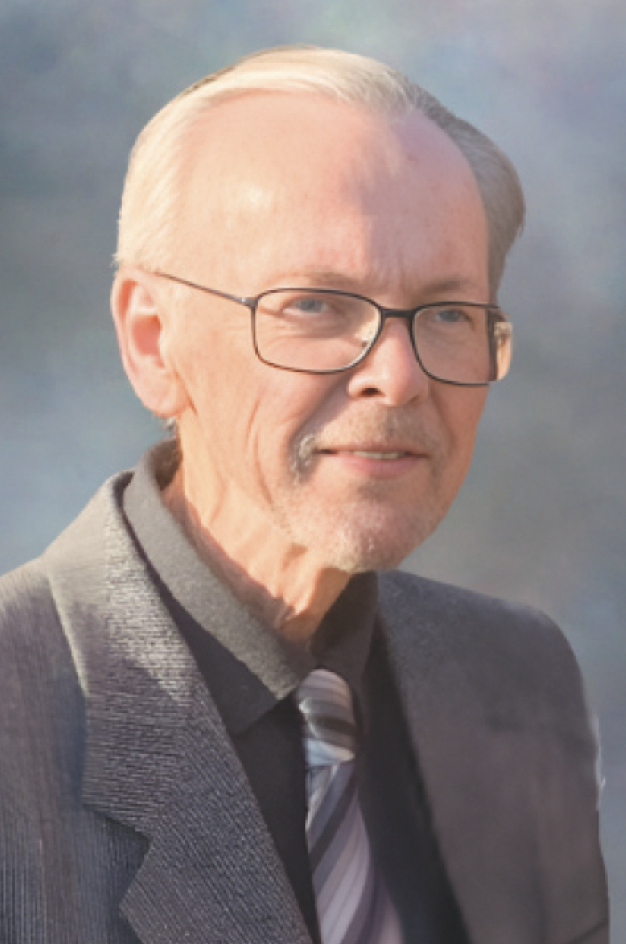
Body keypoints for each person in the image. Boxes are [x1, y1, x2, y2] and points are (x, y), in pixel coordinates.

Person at [0, 45, 608, 944]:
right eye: (317, 305)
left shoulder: (520, 675)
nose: (399, 377)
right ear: (153, 342)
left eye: (448, 314)